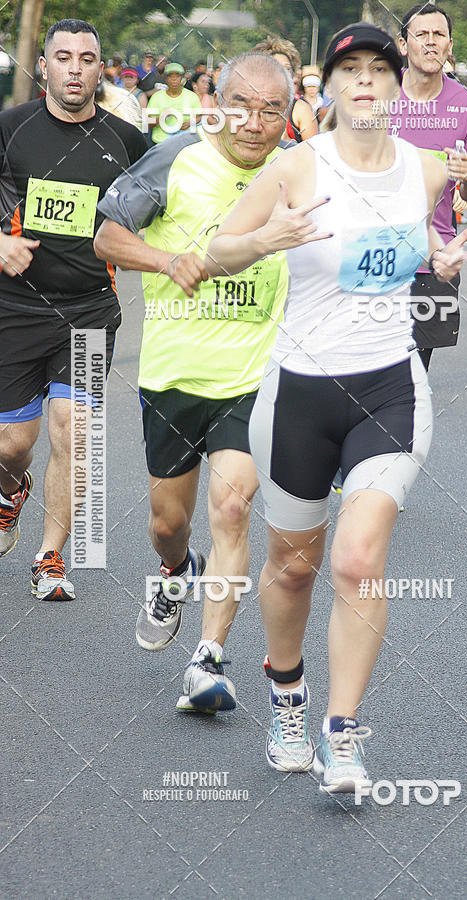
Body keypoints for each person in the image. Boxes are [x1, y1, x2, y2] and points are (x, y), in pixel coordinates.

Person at [206, 23, 467, 792]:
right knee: (293, 571)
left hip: (390, 384)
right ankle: (288, 696)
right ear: (328, 87)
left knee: (358, 560)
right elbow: (217, 248)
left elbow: (423, 241)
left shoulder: (424, 172)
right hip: (299, 390)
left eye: (378, 70)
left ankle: (343, 733)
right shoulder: (294, 167)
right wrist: (268, 239)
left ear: (397, 88)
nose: (365, 81)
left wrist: (443, 258)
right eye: (349, 69)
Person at [94, 52, 291, 711]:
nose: (255, 123)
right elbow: (107, 235)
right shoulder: (178, 156)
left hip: (254, 375)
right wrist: (166, 258)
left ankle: (208, 663)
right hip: (174, 374)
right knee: (167, 521)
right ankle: (176, 571)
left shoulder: (298, 171)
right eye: (242, 105)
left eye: (272, 110)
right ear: (216, 99)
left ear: (288, 117)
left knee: (232, 510)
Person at [0, 19, 147, 597]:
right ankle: (11, 488)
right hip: (15, 307)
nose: (75, 68)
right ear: (45, 66)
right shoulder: (10, 129)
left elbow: (163, 203)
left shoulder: (126, 141)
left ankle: (50, 556)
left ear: (100, 67)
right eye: (63, 57)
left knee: (74, 429)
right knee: (13, 442)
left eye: (87, 58)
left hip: (89, 310)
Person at [389, 2, 467, 371]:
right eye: (421, 34)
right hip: (369, 258)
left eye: (439, 35)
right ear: (403, 44)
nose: (430, 42)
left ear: (449, 46)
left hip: (432, 261)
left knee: (411, 382)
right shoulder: (374, 97)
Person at [252, 37, 318, 142]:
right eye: (276, 67)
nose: (282, 73)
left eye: (287, 69)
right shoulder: (252, 105)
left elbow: (314, 153)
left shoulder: (300, 109)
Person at [145, 62, 201, 143]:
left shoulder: (192, 96)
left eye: (177, 77)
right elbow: (146, 124)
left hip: (185, 143)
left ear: (182, 78)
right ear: (166, 79)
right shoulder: (156, 97)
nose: (174, 80)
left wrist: (190, 123)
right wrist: (161, 118)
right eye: (170, 77)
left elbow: (200, 117)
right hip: (161, 143)